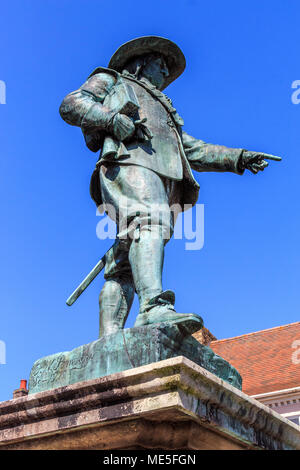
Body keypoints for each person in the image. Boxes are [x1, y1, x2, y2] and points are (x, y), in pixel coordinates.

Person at [60, 36, 281, 337]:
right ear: (140, 63)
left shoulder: (163, 109)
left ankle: (108, 338)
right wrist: (111, 119)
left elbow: (192, 150)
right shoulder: (112, 80)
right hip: (129, 163)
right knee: (151, 221)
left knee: (123, 260)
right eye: (161, 65)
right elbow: (72, 104)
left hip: (162, 176)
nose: (165, 73)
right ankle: (152, 307)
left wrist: (238, 158)